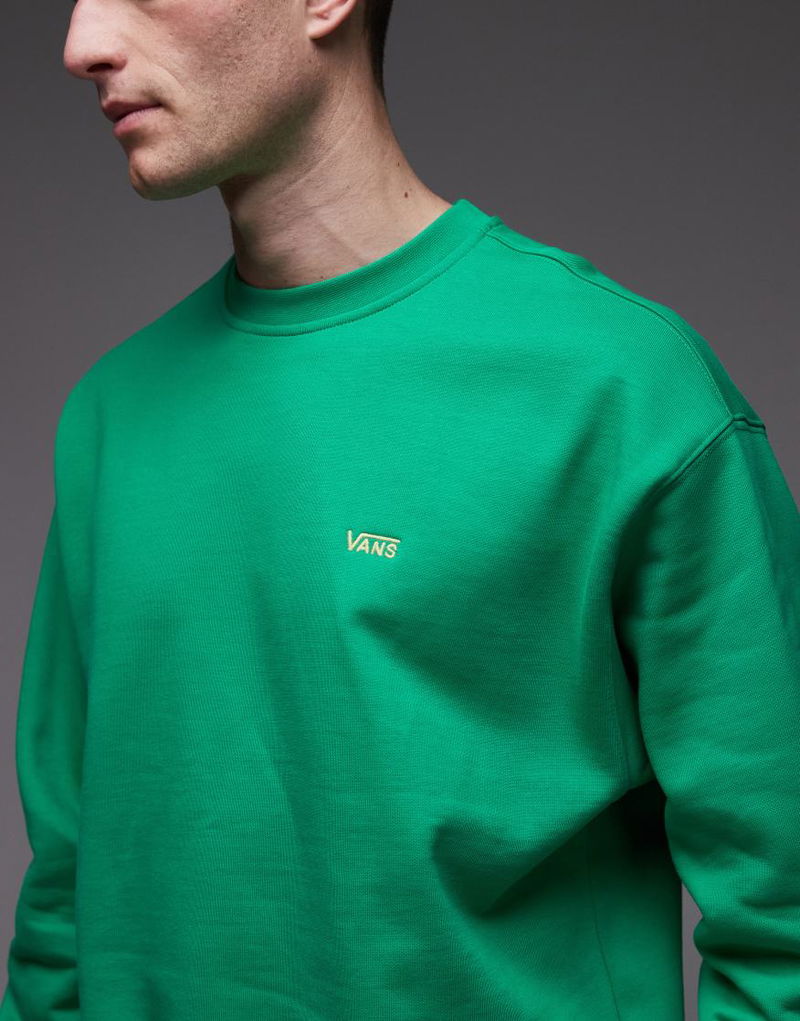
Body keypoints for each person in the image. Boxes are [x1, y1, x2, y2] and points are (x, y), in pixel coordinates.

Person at [2, 0, 799, 1018]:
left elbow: (782, 922)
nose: (82, 44)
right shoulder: (112, 416)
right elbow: (62, 916)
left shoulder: (622, 391)